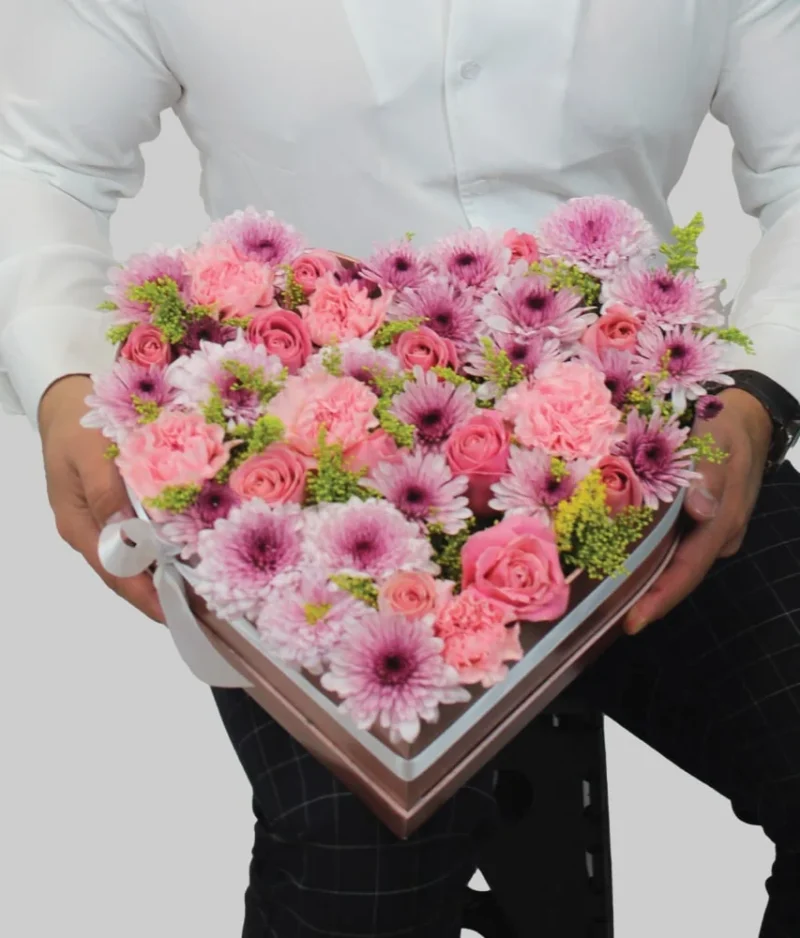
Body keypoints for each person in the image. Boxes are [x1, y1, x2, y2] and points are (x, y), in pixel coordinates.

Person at [2, 1, 800, 934]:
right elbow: (40, 161)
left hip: (646, 451)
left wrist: (761, 394)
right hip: (310, 457)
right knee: (356, 867)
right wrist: (58, 376)